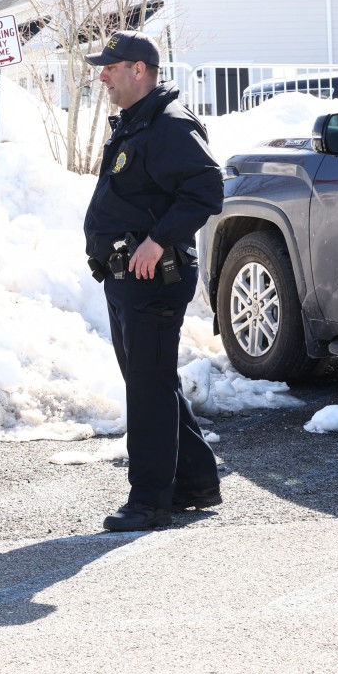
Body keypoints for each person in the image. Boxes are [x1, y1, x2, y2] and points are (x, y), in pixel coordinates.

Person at [82, 30, 223, 531]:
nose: (102, 75)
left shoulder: (169, 126)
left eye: (110, 68)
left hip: (153, 279)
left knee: (147, 389)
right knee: (151, 382)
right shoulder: (139, 123)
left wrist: (159, 239)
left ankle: (149, 501)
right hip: (127, 279)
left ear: (138, 70)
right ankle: (196, 481)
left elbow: (207, 190)